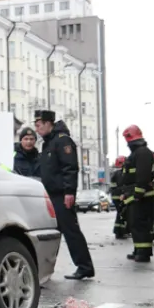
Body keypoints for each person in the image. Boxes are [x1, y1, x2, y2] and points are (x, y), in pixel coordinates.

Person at [35, 109, 95, 280]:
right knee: (52, 233)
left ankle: (84, 267)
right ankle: (46, 269)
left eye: (39, 125)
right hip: (51, 195)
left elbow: (70, 168)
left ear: (48, 123)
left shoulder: (62, 141)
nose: (37, 129)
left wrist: (69, 192)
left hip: (61, 195)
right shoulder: (48, 142)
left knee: (71, 231)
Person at [120, 125, 154, 262]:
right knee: (135, 225)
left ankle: (144, 253)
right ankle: (138, 249)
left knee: (140, 225)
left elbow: (143, 176)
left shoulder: (142, 153)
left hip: (141, 197)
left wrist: (137, 195)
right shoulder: (138, 153)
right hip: (135, 196)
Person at [110, 156, 129, 239]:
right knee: (122, 214)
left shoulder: (114, 173)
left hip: (115, 197)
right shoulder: (122, 173)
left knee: (120, 213)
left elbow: (113, 186)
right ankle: (119, 232)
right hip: (121, 197)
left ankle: (120, 231)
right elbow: (124, 185)